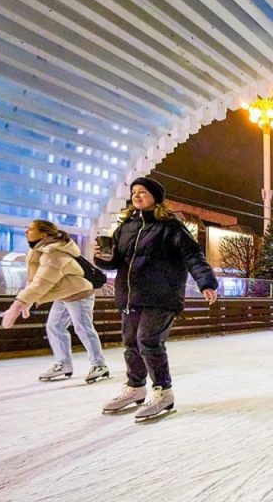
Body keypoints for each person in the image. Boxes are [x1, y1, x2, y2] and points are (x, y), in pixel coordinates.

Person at [95, 177, 218, 421]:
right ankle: (135, 387)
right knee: (131, 342)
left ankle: (163, 391)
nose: (137, 196)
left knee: (148, 341)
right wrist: (103, 258)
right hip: (131, 296)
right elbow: (117, 263)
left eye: (142, 192)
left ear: (155, 197)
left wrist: (206, 282)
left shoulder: (170, 226)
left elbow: (192, 255)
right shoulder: (126, 226)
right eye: (134, 192)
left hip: (162, 295)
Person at [1, 219, 109, 384]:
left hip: (79, 293)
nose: (26, 231)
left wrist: (17, 306)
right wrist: (27, 302)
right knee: (55, 326)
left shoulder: (54, 254)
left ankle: (99, 365)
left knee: (83, 328)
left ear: (43, 234)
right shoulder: (40, 250)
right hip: (63, 293)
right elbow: (35, 279)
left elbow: (41, 282)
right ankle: (64, 364)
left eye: (30, 229)